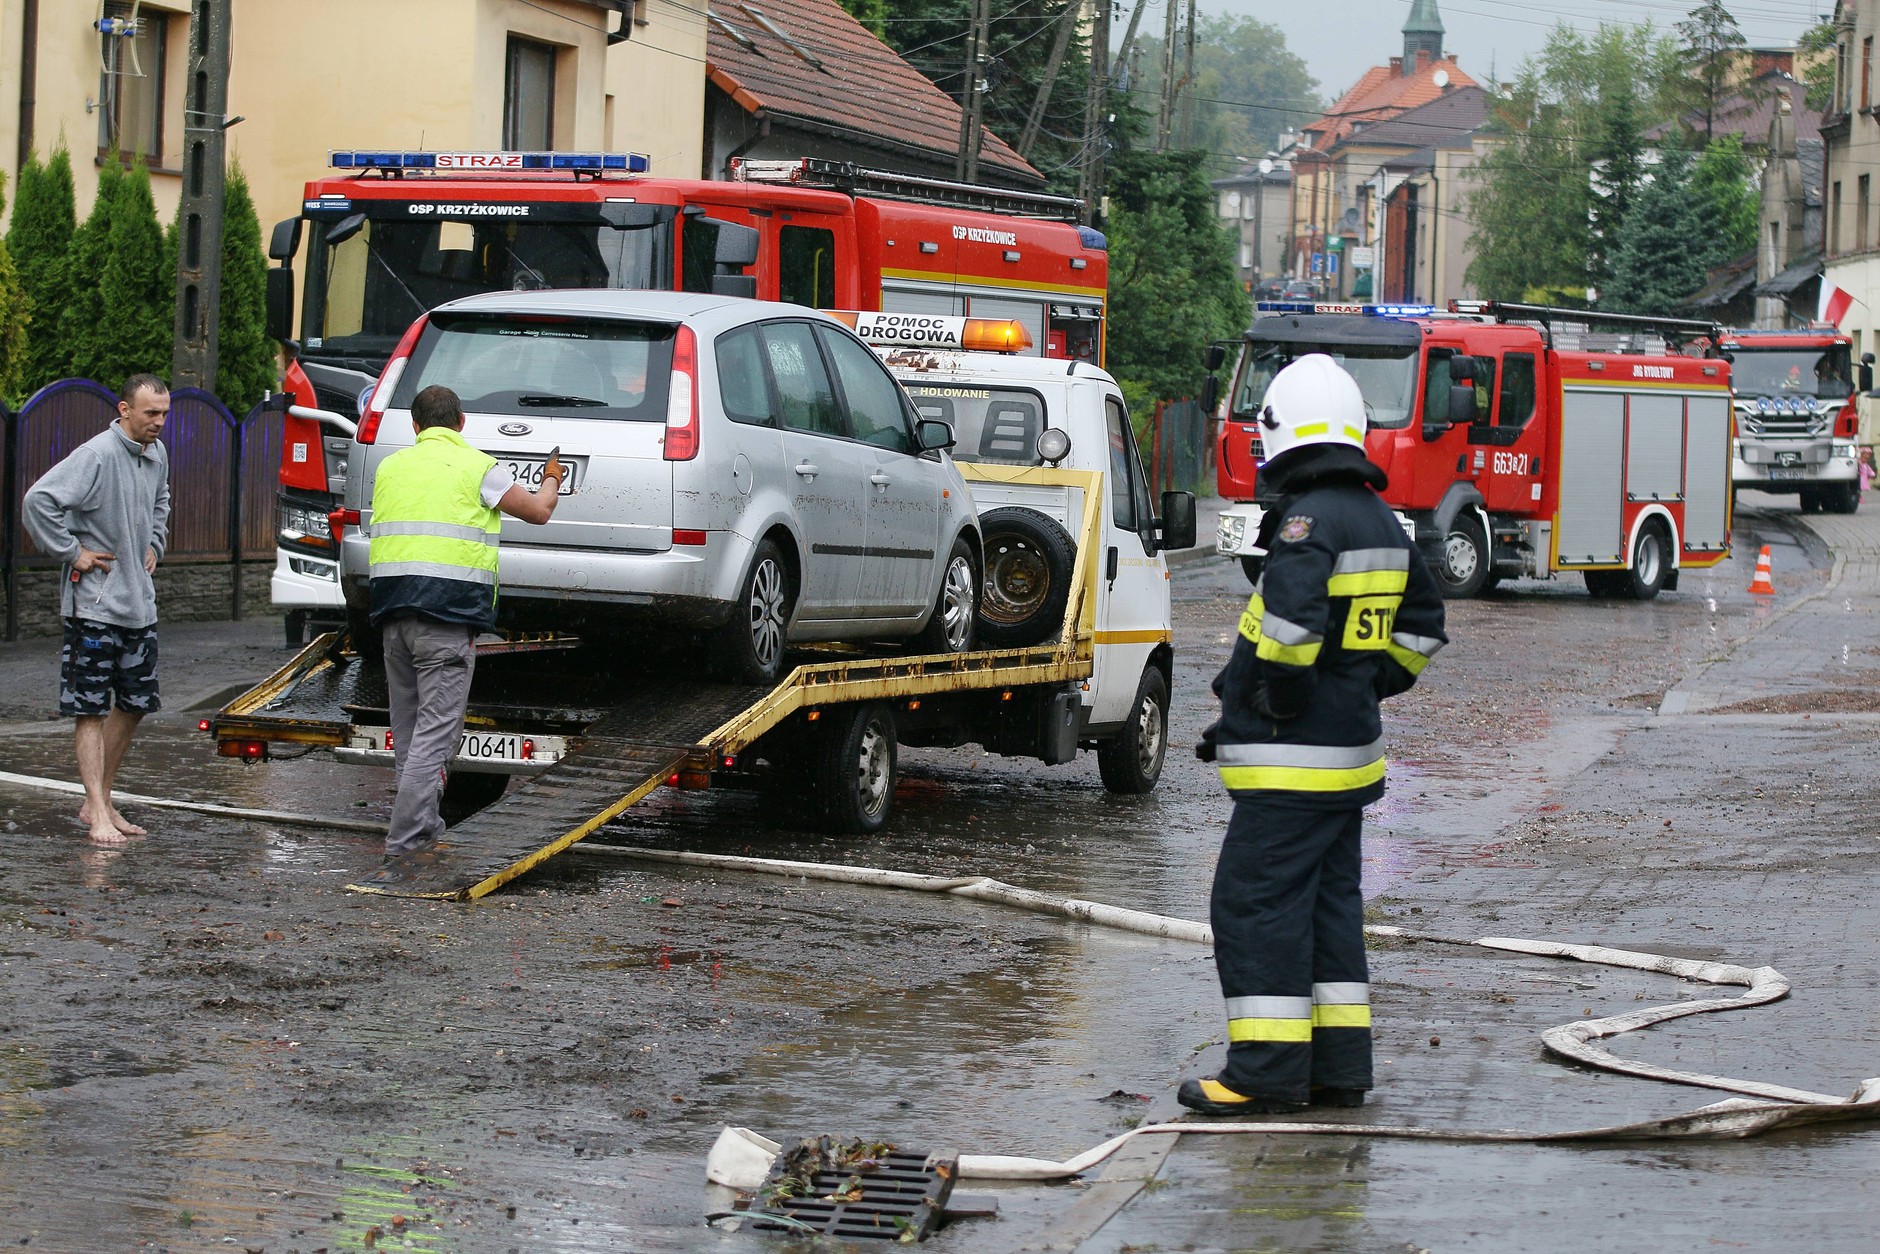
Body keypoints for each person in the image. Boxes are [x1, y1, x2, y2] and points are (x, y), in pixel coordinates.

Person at [1187, 355, 1448, 1115]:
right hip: (1347, 762)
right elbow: (1423, 626)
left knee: (1254, 908)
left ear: (1281, 433)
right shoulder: (1380, 519)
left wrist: (1279, 698)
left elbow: (1292, 629)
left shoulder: (1307, 523)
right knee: (1330, 911)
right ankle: (1337, 1069)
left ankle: (1264, 1074)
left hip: (1291, 770)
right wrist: (1365, 684)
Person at [368, 384, 565, 859]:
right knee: (435, 734)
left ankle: (423, 826)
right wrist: (552, 478)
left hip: (393, 615)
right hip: (446, 618)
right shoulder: (478, 467)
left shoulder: (390, 466)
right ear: (461, 423)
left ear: (415, 425)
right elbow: (538, 512)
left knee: (410, 733)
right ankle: (406, 841)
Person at [23, 374, 173, 846]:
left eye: (164, 413)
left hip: (139, 606)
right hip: (93, 607)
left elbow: (162, 501)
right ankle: (97, 811)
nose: (159, 422)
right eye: (150, 413)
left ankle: (100, 802)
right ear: (124, 410)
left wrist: (154, 543)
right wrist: (73, 553)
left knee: (135, 705)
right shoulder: (96, 455)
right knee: (89, 710)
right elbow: (38, 501)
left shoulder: (157, 454)